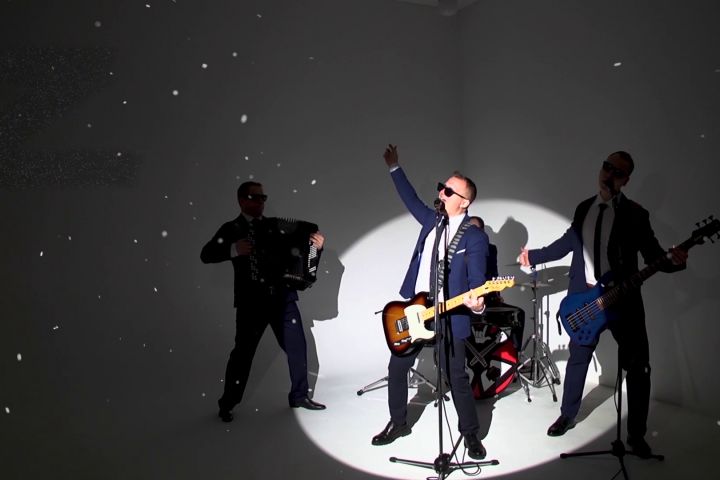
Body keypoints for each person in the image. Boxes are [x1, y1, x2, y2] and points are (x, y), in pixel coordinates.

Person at [518, 151, 687, 457]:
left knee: (639, 367)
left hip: (623, 300)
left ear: (626, 180)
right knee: (578, 359)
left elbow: (653, 255)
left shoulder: (636, 214)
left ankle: (636, 435)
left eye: (617, 172)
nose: (609, 174)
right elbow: (568, 242)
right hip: (584, 299)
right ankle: (567, 415)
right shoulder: (584, 208)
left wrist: (674, 261)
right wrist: (534, 256)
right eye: (607, 167)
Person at [371, 144, 489, 460]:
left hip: (451, 316)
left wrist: (477, 304)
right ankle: (398, 423)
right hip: (417, 310)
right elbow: (410, 199)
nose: (441, 193)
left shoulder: (474, 237)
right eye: (442, 187)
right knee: (397, 367)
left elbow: (478, 280)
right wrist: (394, 167)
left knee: (456, 376)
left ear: (464, 202)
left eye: (449, 191)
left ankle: (470, 434)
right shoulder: (432, 221)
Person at [201, 181, 327, 422]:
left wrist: (315, 247)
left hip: (284, 299)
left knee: (298, 348)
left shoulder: (275, 226)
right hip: (251, 303)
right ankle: (227, 403)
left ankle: (299, 396)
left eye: (263, 197)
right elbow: (206, 254)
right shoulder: (232, 229)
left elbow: (302, 246)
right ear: (241, 200)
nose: (260, 201)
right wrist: (233, 249)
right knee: (242, 354)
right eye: (254, 197)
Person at [469, 216, 526, 354]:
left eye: (475, 230)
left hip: (488, 301)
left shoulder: (491, 249)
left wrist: (497, 295)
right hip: (463, 303)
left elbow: (493, 274)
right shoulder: (457, 249)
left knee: (518, 314)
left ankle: (512, 355)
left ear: (482, 232)